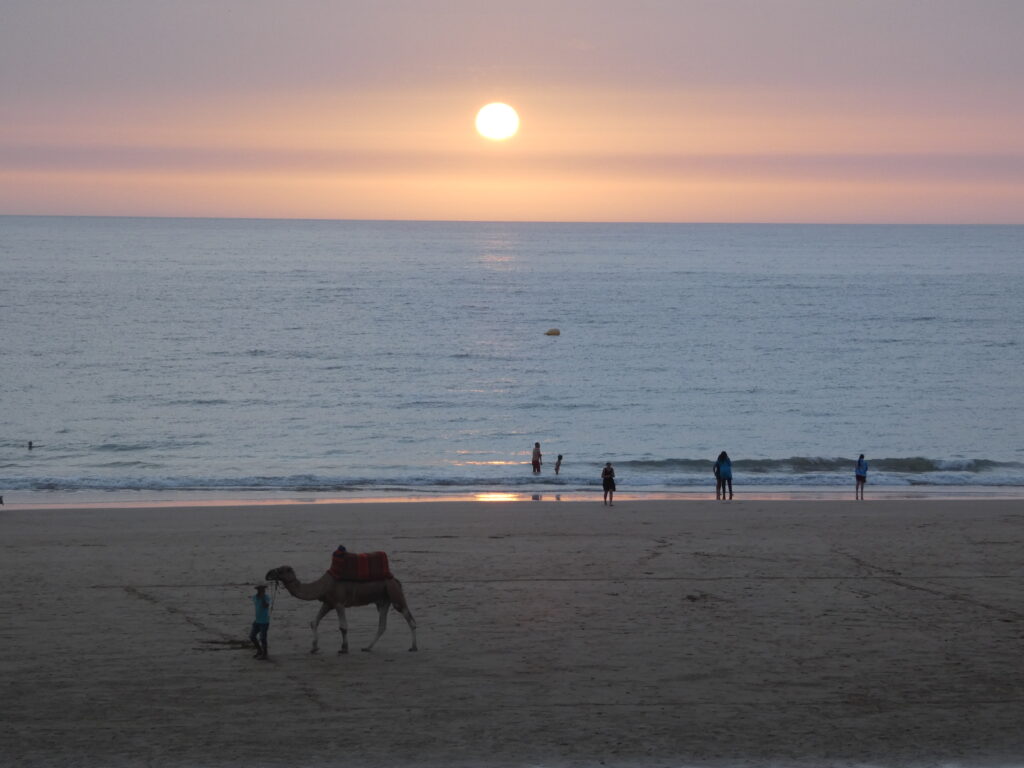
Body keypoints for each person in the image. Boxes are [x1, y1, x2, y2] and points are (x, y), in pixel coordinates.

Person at [249, 584, 271, 660]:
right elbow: (258, 605)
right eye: (261, 590)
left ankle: (265, 654)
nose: (263, 591)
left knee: (262, 638)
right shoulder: (254, 597)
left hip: (264, 622)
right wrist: (261, 597)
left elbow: (266, 606)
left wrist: (262, 598)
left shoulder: (267, 597)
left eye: (263, 590)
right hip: (257, 621)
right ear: (258, 590)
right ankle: (259, 650)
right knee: (252, 636)